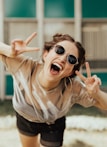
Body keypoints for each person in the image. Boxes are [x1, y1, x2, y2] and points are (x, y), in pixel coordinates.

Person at [0, 32, 107, 147]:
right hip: (25, 118)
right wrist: (9, 51)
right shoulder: (24, 66)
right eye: (59, 50)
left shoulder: (72, 88)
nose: (62, 59)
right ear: (46, 54)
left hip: (53, 125)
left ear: (70, 71)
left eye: (71, 59)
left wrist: (96, 93)